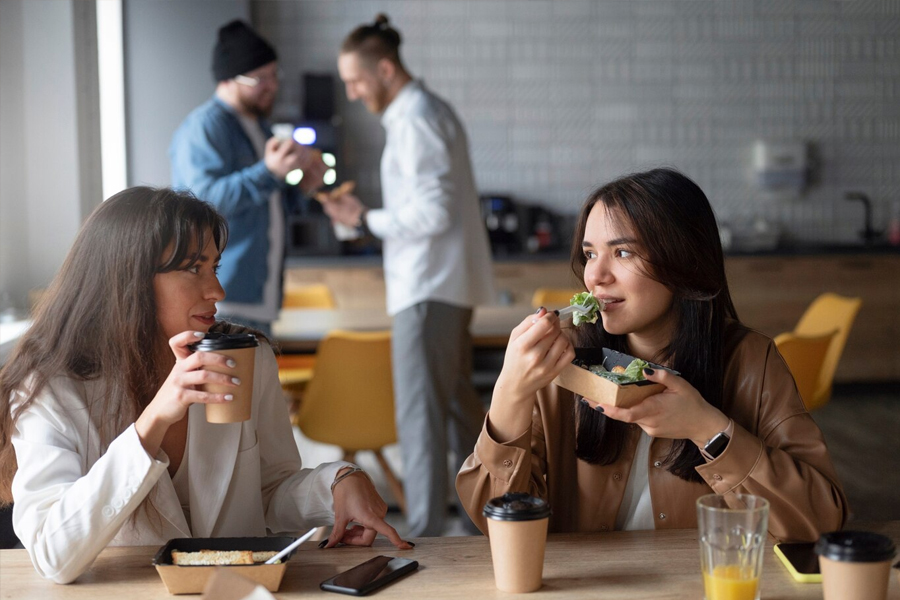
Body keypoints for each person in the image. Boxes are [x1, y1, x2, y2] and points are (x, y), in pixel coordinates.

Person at [0, 188, 411, 584]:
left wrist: (337, 483)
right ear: (128, 279)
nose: (217, 290)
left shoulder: (245, 358)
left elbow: (269, 491)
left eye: (213, 267)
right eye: (193, 268)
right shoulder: (51, 387)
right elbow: (52, 556)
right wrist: (153, 421)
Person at [456, 168, 848, 542]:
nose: (596, 276)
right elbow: (495, 522)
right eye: (590, 254)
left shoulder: (750, 361)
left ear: (684, 260)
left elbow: (820, 521)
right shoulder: (561, 360)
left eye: (623, 253)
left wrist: (706, 428)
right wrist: (509, 392)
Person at [326, 15, 495, 537]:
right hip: (440, 286)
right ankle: (478, 522)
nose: (353, 93)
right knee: (454, 410)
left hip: (426, 289)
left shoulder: (417, 117)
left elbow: (433, 213)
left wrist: (362, 219)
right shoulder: (421, 114)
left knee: (421, 422)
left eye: (356, 81)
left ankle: (423, 537)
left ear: (384, 68)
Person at [170, 20, 326, 336]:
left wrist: (302, 188)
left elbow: (268, 206)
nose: (272, 85)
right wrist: (269, 172)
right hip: (220, 299)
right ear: (228, 79)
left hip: (260, 296)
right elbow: (202, 205)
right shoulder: (205, 127)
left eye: (274, 75)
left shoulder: (261, 127)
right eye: (260, 78)